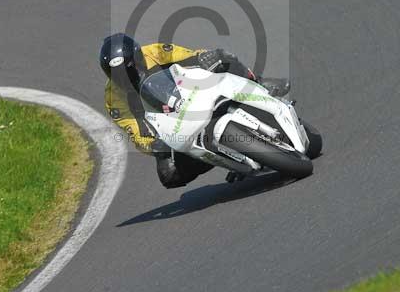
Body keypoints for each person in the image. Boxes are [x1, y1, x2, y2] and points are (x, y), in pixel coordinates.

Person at [100, 33, 290, 188]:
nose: (127, 78)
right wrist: (154, 144)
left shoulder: (155, 52)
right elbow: (137, 133)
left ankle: (258, 84)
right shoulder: (113, 100)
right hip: (171, 126)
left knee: (223, 58)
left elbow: (190, 56)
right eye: (119, 76)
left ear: (139, 57)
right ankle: (229, 160)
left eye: (131, 69)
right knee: (169, 175)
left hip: (189, 90)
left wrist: (205, 57)